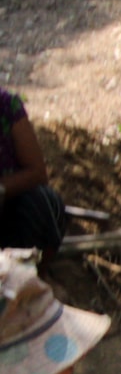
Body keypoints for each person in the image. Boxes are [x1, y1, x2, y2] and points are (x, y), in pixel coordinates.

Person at [0, 86, 69, 254]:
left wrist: (2, 187)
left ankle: (33, 274)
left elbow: (37, 173)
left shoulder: (7, 107)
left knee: (42, 203)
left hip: (11, 208)